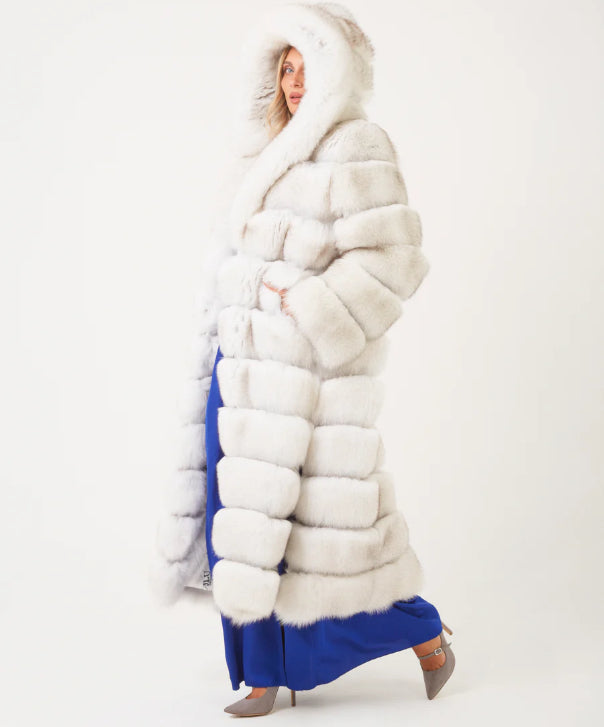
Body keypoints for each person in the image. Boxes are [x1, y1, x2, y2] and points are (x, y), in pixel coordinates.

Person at [150, 2, 456, 717]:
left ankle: (424, 631)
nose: (295, 80)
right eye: (285, 66)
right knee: (240, 522)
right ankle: (260, 675)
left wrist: (307, 307)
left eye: (308, 65)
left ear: (338, 71)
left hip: (306, 380)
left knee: (318, 541)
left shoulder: (357, 144)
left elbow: (395, 259)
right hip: (238, 369)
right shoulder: (262, 149)